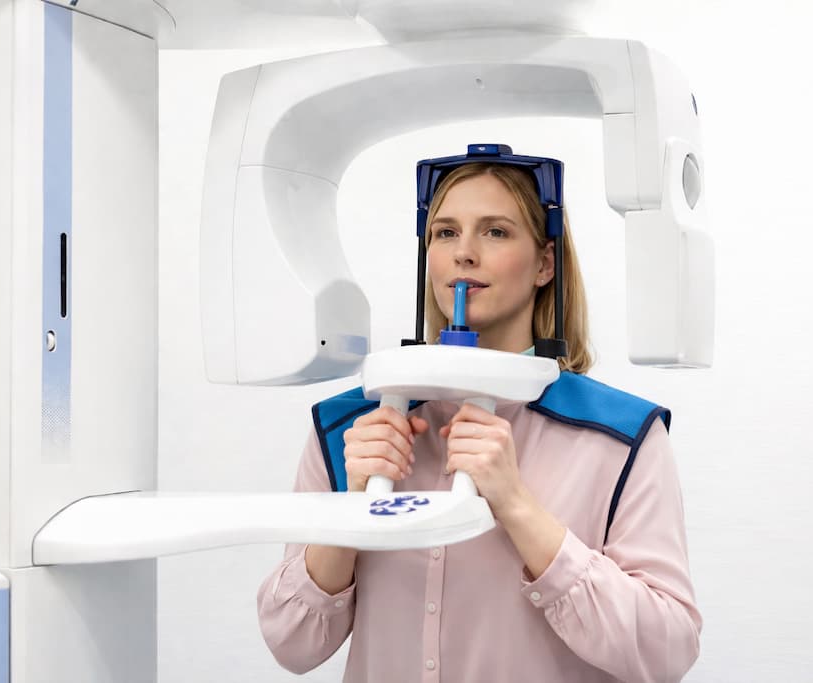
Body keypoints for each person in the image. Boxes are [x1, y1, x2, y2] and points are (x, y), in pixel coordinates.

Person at [257, 148, 702, 682]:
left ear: (544, 263)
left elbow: (667, 650)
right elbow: (291, 644)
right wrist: (349, 510)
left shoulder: (623, 437)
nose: (464, 254)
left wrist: (515, 504)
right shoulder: (349, 429)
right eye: (445, 233)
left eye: (495, 231)